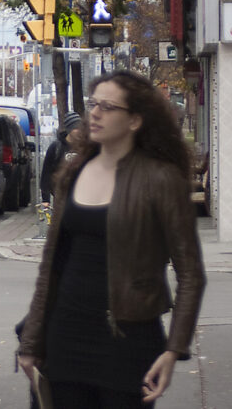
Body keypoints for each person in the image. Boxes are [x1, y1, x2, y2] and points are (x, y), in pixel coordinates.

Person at [16, 70, 205, 408]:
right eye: (93, 104)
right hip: (65, 337)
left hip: (128, 342)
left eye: (108, 106)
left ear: (134, 120)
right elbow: (51, 266)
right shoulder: (73, 172)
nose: (96, 113)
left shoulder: (161, 179)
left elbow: (191, 274)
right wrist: (31, 341)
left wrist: (174, 349)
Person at [39, 111, 84, 206]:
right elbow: (46, 173)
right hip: (61, 197)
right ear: (69, 129)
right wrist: (45, 199)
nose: (79, 131)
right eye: (76, 128)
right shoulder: (56, 147)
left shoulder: (84, 147)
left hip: (81, 196)